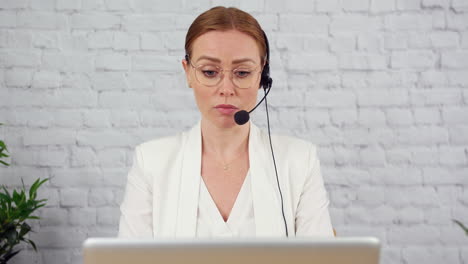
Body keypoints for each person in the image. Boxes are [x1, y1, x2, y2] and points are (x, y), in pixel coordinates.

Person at [118, 6, 334, 238]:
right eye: (210, 72)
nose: (226, 89)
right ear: (188, 72)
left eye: (242, 73)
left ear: (262, 74)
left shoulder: (299, 160)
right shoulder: (151, 162)